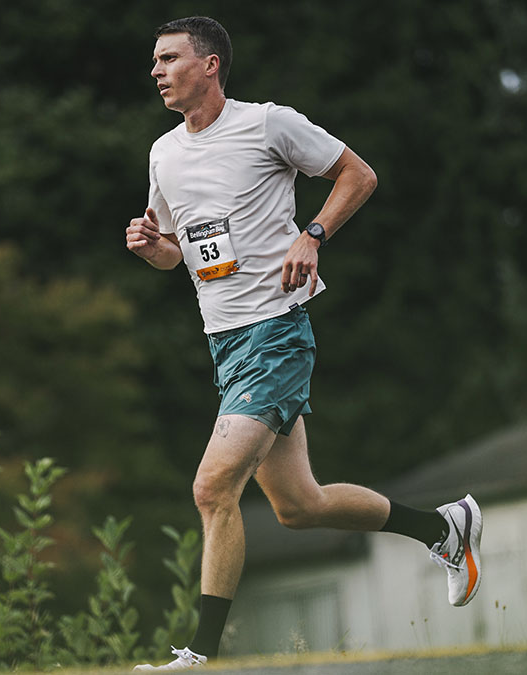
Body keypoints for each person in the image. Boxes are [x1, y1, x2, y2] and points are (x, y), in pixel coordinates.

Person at [126, 16, 483, 671]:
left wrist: (311, 234)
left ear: (209, 66)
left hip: (276, 334)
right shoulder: (163, 154)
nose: (155, 70)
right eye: (154, 60)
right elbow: (180, 253)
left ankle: (198, 656)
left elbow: (359, 174)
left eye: (169, 58)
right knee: (298, 505)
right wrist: (156, 249)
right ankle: (443, 527)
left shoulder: (267, 123)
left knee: (212, 489)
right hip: (225, 347)